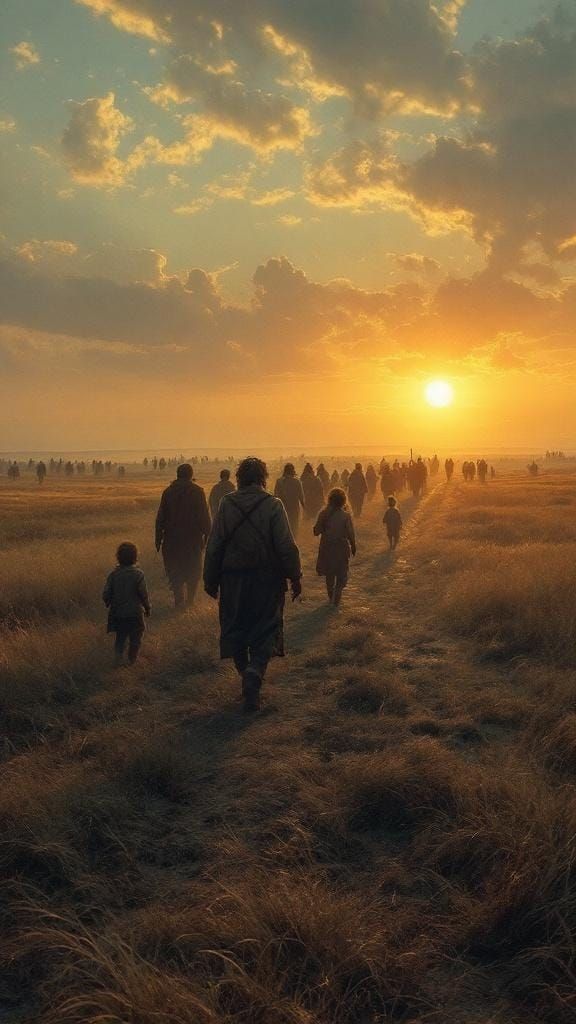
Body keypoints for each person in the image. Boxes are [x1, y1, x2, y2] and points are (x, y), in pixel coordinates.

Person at [204, 457, 302, 712]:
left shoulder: (227, 504)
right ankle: (255, 672)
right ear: (263, 478)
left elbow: (215, 545)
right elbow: (286, 546)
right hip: (267, 580)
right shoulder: (273, 505)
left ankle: (246, 675)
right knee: (266, 629)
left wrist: (210, 579)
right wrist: (295, 576)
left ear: (239, 478)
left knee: (236, 628)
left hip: (233, 580)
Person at [155, 463, 211, 608]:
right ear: (191, 475)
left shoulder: (168, 492)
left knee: (175, 570)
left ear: (177, 474)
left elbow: (160, 517)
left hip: (171, 539)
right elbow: (204, 515)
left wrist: (158, 538)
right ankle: (190, 600)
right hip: (192, 539)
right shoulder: (198, 491)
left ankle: (178, 599)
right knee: (193, 569)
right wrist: (207, 534)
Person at [103, 542, 151, 666]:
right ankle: (132, 659)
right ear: (135, 557)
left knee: (121, 637)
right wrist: (147, 607)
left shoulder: (113, 575)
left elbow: (106, 594)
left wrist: (108, 602)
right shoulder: (138, 574)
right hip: (135, 613)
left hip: (118, 613)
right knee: (136, 637)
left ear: (118, 557)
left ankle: (117, 659)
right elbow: (143, 594)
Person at [313, 488, 356, 607]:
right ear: (343, 501)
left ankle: (331, 595)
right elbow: (350, 533)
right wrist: (353, 545)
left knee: (330, 574)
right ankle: (337, 594)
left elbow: (316, 531)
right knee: (342, 573)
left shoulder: (323, 513)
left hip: (327, 547)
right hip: (341, 548)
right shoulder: (346, 516)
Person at [274, 463, 305, 538]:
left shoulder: (279, 481)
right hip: (294, 508)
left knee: (283, 527)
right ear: (293, 471)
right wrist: (304, 508)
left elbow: (275, 495)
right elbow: (301, 496)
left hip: (282, 508)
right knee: (294, 527)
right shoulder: (297, 482)